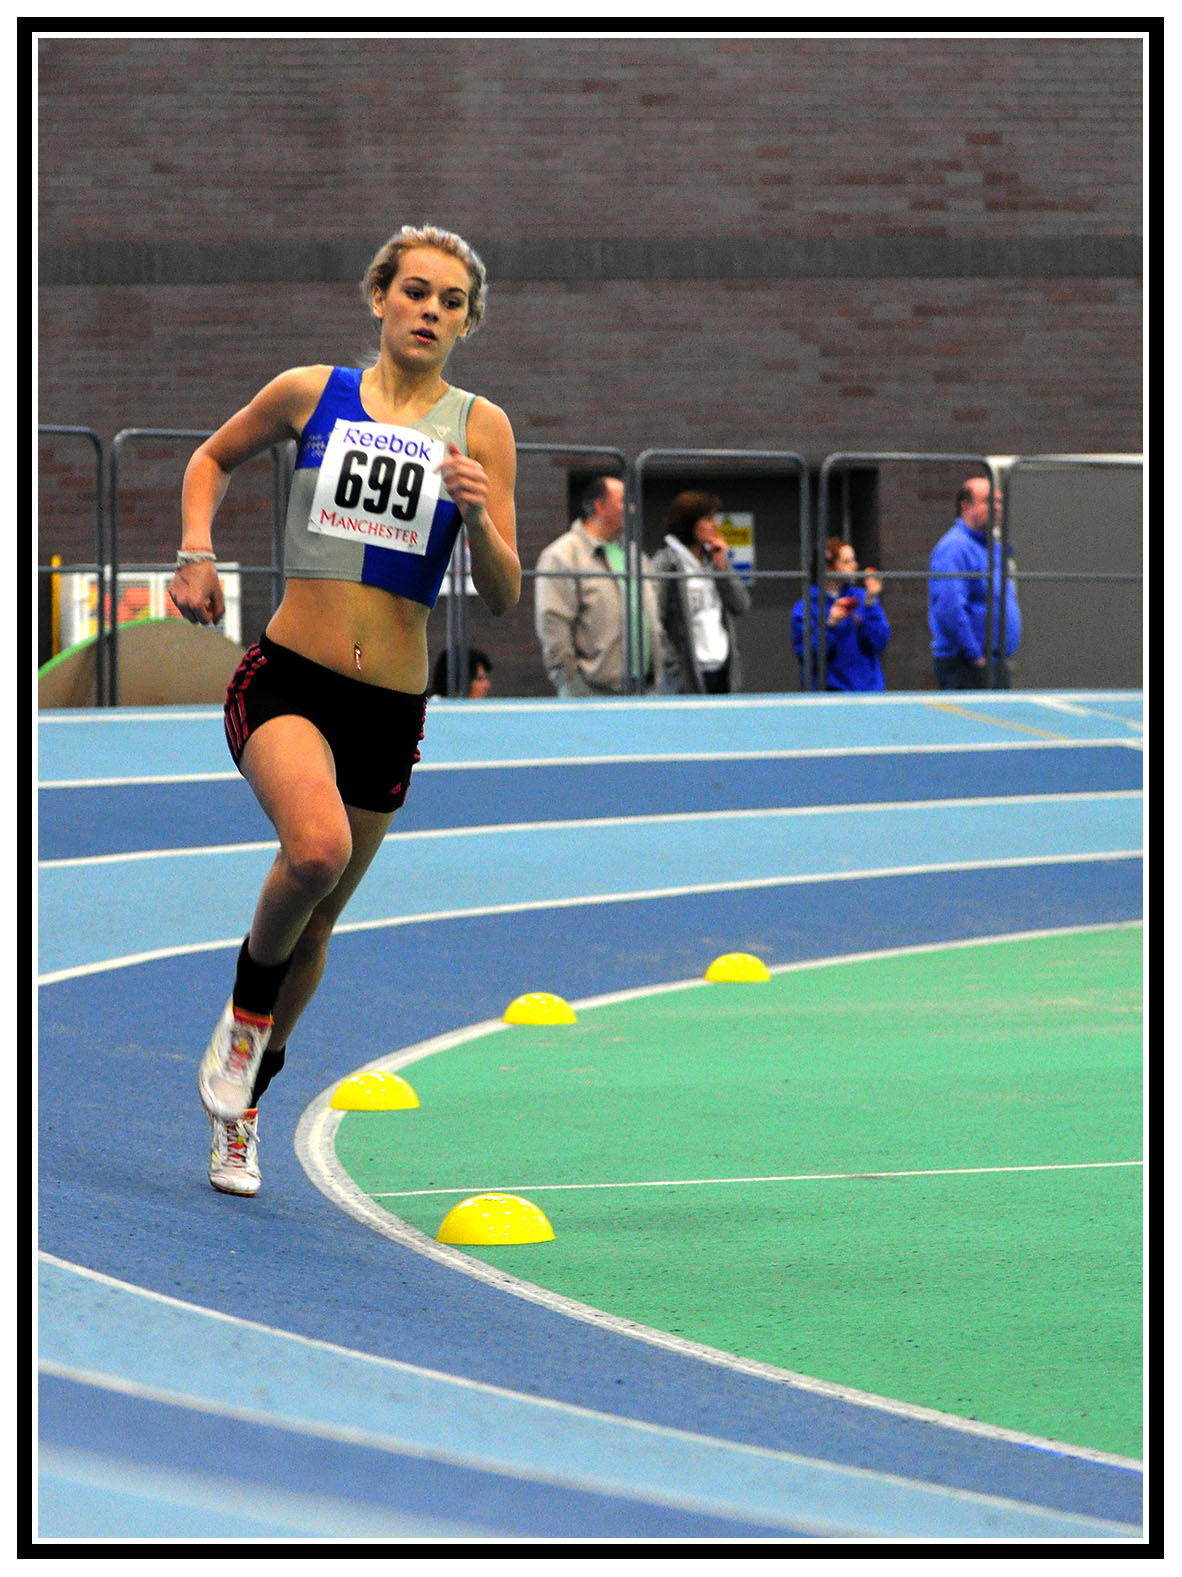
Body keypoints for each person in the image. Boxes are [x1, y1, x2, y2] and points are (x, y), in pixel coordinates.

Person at [168, 224, 520, 1197]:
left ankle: (242, 1107)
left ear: (466, 323)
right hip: (289, 678)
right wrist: (196, 551)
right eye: (415, 291)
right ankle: (246, 1015)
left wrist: (479, 516)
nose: (430, 310)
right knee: (315, 849)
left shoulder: (482, 427)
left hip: (389, 706)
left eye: (451, 301)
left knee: (319, 923)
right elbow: (210, 458)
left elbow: (503, 594)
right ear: (379, 297)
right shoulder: (310, 393)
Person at [533, 476, 665, 696]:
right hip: (590, 692)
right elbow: (552, 624)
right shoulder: (562, 556)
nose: (631, 508)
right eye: (623, 501)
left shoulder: (635, 555)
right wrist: (572, 682)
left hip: (644, 689)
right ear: (599, 506)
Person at [650, 490, 751, 693]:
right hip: (686, 676)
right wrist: (674, 664)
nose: (715, 525)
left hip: (723, 669)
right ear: (689, 523)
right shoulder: (665, 564)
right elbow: (654, 620)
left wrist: (723, 568)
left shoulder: (714, 560)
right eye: (708, 519)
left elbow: (741, 605)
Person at [928, 477, 1020, 689]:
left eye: (999, 501)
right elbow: (950, 608)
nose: (997, 507)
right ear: (965, 506)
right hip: (968, 665)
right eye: (988, 501)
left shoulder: (990, 546)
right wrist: (975, 657)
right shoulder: (955, 547)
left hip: (993, 661)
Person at [791, 537, 890, 690]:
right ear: (828, 568)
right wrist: (830, 624)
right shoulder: (805, 608)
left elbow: (879, 643)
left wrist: (871, 603)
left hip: (867, 692)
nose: (855, 565)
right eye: (846, 562)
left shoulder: (862, 598)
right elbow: (809, 658)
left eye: (853, 560)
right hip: (829, 696)